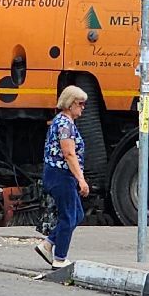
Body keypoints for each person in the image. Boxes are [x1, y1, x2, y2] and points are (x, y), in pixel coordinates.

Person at [35, 85, 91, 268]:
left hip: (58, 175)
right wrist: (81, 180)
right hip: (62, 175)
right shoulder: (65, 125)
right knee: (68, 216)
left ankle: (48, 243)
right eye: (81, 104)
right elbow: (69, 154)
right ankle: (60, 258)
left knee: (77, 214)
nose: (83, 107)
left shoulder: (60, 121)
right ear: (71, 104)